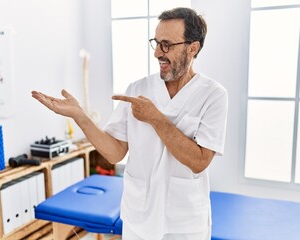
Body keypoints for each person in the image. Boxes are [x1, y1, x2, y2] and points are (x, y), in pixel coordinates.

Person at [32, 7, 228, 240]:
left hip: (184, 223)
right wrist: (80, 116)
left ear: (192, 48)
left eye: (166, 45)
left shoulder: (213, 95)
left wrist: (155, 118)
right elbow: (115, 153)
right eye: (155, 43)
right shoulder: (138, 89)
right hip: (138, 217)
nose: (157, 53)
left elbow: (199, 161)